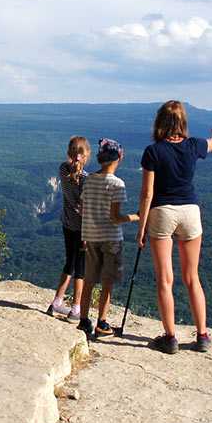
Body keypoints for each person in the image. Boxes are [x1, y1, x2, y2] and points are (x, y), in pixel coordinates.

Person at [135, 101, 212, 354]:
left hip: (162, 211)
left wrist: (141, 227)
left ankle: (170, 337)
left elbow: (146, 193)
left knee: (165, 279)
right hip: (190, 211)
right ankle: (203, 335)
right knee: (191, 277)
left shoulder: (152, 151)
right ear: (182, 122)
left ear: (160, 122)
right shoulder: (194, 145)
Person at [77, 138, 140, 339]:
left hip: (91, 236)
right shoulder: (117, 184)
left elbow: (85, 209)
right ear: (118, 158)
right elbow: (115, 218)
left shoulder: (88, 180)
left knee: (88, 280)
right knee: (107, 281)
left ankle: (84, 320)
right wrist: (136, 217)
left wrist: (85, 234)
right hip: (111, 239)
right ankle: (102, 323)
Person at [48, 136, 89, 320]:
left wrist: (74, 156)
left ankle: (57, 301)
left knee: (69, 262)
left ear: (69, 154)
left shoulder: (63, 170)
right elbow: (87, 209)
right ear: (86, 156)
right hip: (82, 229)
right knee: (81, 268)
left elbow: (69, 165)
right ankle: (76, 308)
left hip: (67, 224)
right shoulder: (86, 180)